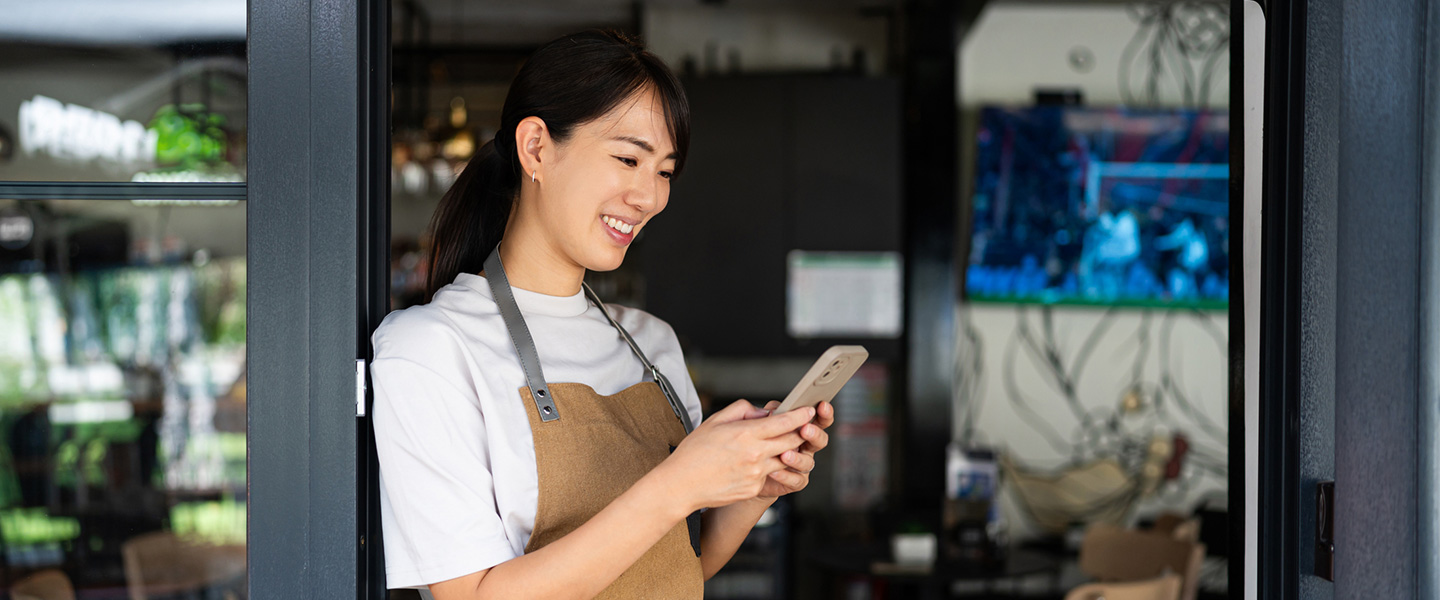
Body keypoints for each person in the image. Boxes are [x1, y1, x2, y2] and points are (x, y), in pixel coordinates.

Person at [369, 30, 833, 599]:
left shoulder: (651, 344)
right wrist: (677, 485)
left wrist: (755, 488)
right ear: (536, 148)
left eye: (664, 171)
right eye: (628, 158)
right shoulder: (431, 351)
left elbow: (680, 566)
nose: (649, 197)